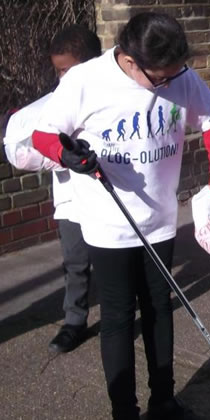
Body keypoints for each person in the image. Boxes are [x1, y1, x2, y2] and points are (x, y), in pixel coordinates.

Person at [32, 12, 210, 419]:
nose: (168, 85)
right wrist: (65, 153)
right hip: (109, 226)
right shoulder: (85, 80)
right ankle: (124, 409)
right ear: (128, 59)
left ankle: (164, 399)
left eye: (173, 77)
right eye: (159, 78)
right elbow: (42, 134)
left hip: (159, 219)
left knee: (159, 308)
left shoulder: (181, 77)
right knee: (119, 316)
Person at [3, 25, 101, 353]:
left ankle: (124, 310)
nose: (61, 78)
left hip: (109, 195)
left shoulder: (110, 94)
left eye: (66, 70)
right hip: (72, 195)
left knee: (118, 258)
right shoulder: (57, 102)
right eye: (58, 71)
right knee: (75, 259)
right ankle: (75, 320)